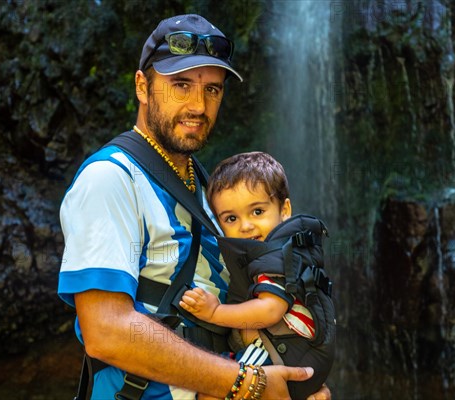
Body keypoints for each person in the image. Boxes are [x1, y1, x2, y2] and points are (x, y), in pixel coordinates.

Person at [58, 13, 332, 400]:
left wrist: (292, 384)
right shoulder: (111, 179)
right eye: (181, 85)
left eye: (213, 90)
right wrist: (247, 384)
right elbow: (106, 331)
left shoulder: (211, 189)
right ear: (142, 85)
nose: (198, 106)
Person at [180, 152, 335, 399]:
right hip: (301, 359)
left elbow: (271, 310)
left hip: (287, 360)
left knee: (214, 390)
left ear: (284, 209)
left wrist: (215, 313)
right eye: (231, 218)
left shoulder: (277, 256)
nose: (245, 226)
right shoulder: (288, 250)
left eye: (257, 212)